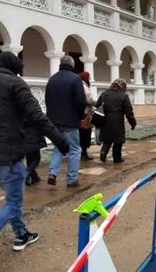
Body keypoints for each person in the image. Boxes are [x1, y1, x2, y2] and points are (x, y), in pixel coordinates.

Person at [0, 52, 69, 271]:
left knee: (14, 196)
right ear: (14, 66)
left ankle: (21, 234)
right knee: (13, 201)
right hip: (9, 153)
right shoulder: (15, 84)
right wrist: (60, 140)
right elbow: (37, 116)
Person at [45, 56, 87, 187]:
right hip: (70, 121)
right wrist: (80, 116)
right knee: (74, 149)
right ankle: (72, 179)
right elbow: (81, 101)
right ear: (72, 65)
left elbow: (47, 100)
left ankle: (53, 172)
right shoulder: (75, 79)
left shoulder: (52, 79)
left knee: (59, 146)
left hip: (54, 121)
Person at [97, 79, 137, 164]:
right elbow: (129, 111)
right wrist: (133, 123)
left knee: (107, 139)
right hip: (118, 120)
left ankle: (103, 151)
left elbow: (97, 105)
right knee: (118, 141)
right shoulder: (124, 96)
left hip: (105, 120)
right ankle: (117, 158)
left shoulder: (105, 93)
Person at [78, 71, 96, 161]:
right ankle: (84, 153)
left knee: (81, 132)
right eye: (88, 77)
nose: (89, 79)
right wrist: (95, 103)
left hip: (80, 112)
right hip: (85, 112)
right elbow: (89, 98)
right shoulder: (84, 86)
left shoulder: (78, 84)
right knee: (85, 132)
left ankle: (82, 152)